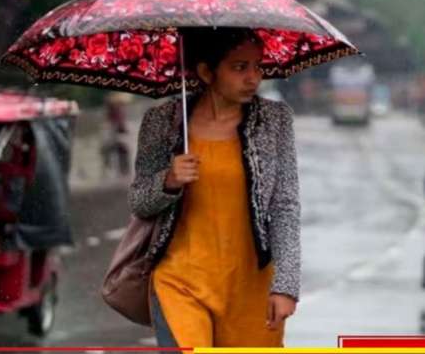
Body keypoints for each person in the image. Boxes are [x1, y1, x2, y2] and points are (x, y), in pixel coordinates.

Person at [127, 28, 301, 348]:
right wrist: (168, 181)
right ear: (207, 72)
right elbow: (139, 202)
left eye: (258, 66)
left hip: (251, 287)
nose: (253, 78)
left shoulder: (275, 120)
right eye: (239, 67)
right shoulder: (162, 121)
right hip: (180, 281)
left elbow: (285, 206)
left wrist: (286, 286)